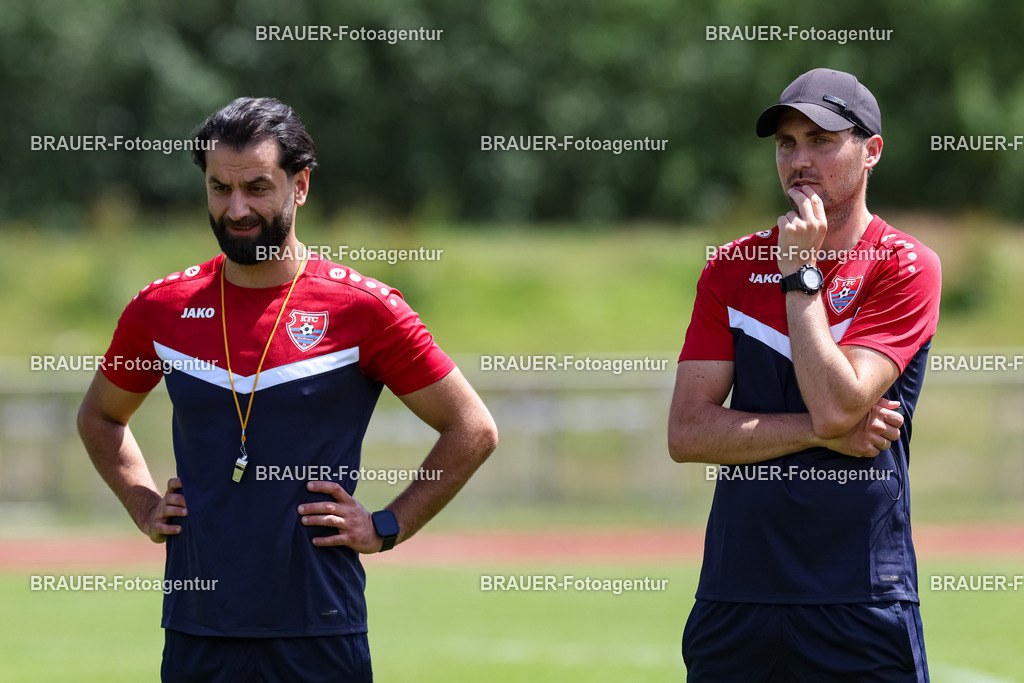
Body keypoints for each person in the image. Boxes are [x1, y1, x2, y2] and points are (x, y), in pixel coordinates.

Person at [77, 97, 499, 682]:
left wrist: (385, 525)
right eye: (219, 189)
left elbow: (472, 429)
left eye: (257, 187)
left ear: (300, 185)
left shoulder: (364, 309)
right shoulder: (161, 308)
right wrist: (143, 503)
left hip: (320, 629)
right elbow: (100, 416)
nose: (237, 208)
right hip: (198, 629)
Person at [668, 68, 940, 681]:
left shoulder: (905, 265)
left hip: (860, 597)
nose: (799, 159)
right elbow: (687, 433)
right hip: (736, 594)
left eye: (822, 140)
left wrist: (799, 277)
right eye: (787, 143)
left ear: (870, 152)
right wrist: (820, 432)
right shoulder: (732, 267)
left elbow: (843, 406)